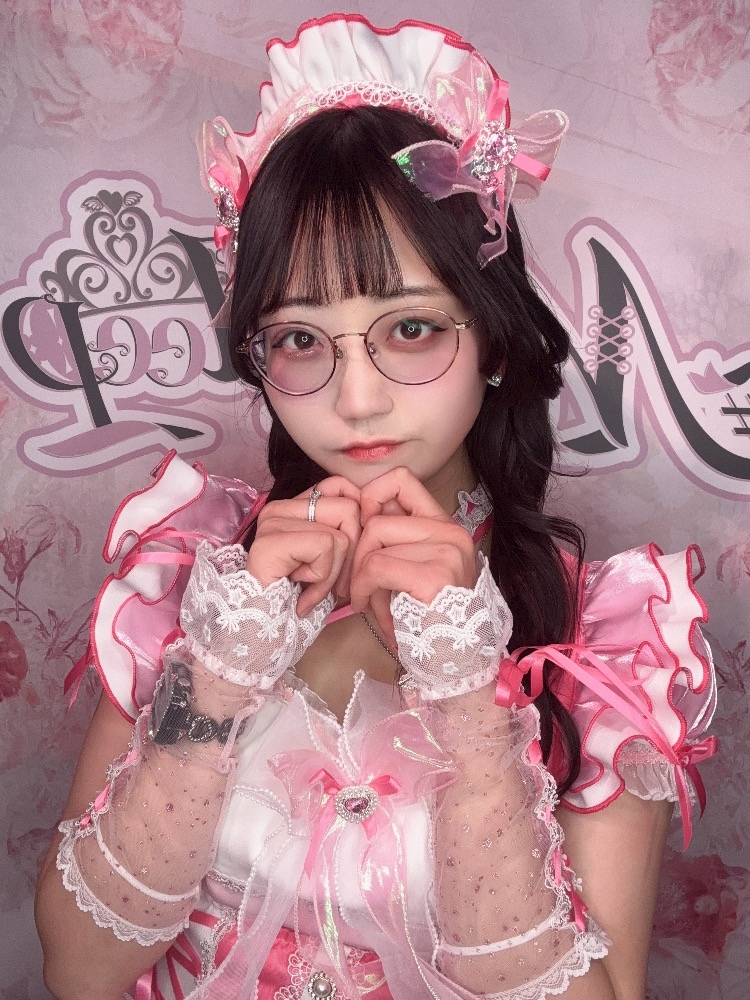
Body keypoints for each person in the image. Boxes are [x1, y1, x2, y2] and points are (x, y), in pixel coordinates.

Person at [35, 14, 717, 1000]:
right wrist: (220, 669)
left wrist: (469, 697)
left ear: (492, 336)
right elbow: (79, 969)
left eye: (409, 329)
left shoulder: (601, 639)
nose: (356, 400)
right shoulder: (200, 573)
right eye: (300, 340)